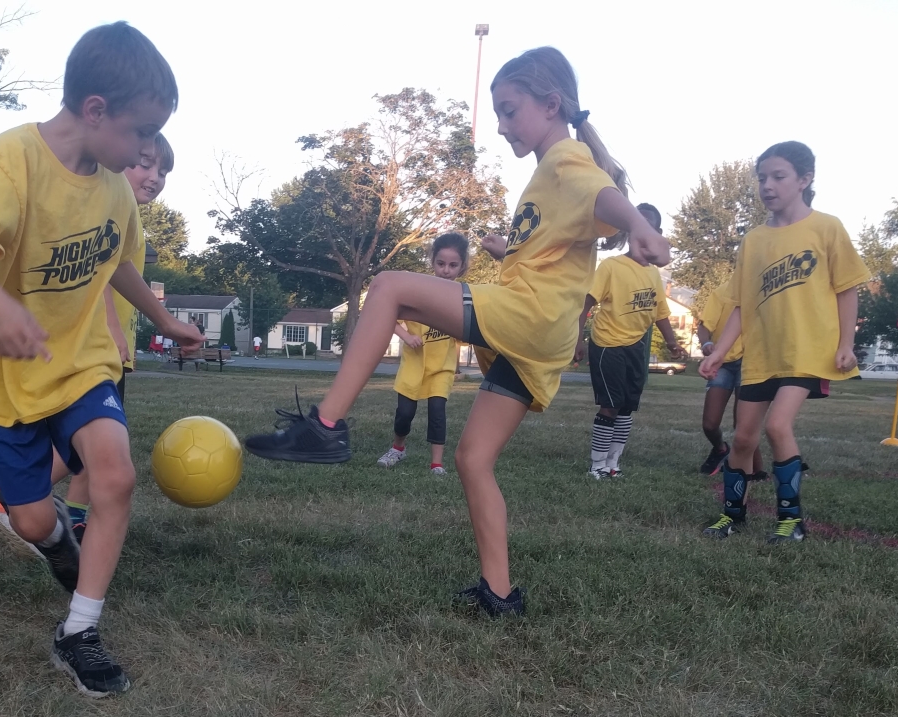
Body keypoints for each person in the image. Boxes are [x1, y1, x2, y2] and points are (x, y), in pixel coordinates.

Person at [244, 47, 670, 616]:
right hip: (539, 338)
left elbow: (602, 194)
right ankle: (500, 594)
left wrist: (640, 223)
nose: (501, 124)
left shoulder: (565, 158)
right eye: (497, 111)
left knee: (390, 287)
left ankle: (325, 426)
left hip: (532, 316)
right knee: (473, 459)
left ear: (551, 105)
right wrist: (505, 248)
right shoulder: (552, 169)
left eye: (510, 110)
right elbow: (565, 232)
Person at [0, 22, 201, 697]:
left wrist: (163, 317)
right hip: (4, 376)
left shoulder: (110, 186)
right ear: (95, 110)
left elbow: (119, 263)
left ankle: (79, 629)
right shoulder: (10, 159)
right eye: (140, 133)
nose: (144, 151)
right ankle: (54, 542)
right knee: (30, 519)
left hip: (82, 361)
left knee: (113, 473)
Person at [0, 134, 176, 545]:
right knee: (91, 442)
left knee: (99, 446)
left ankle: (78, 516)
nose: (154, 177)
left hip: (103, 350)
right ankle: (10, 497)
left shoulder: (127, 212)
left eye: (163, 171)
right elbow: (98, 272)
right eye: (144, 164)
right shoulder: (102, 203)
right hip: (93, 349)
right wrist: (114, 329)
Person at [699, 141, 869, 543]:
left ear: (804, 179)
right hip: (762, 356)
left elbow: (847, 289)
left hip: (807, 351)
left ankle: (791, 521)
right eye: (762, 178)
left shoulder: (826, 227)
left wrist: (847, 342)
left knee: (777, 425)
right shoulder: (754, 240)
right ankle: (732, 515)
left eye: (778, 176)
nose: (767, 186)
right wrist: (720, 352)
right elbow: (741, 304)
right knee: (742, 437)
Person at [574, 203, 687, 479]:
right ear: (629, 230)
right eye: (637, 224)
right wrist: (578, 339)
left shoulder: (653, 273)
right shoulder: (612, 266)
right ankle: (596, 466)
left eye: (649, 226)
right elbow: (585, 303)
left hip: (636, 346)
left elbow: (660, 313)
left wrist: (672, 343)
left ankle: (613, 464)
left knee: (626, 407)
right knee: (611, 405)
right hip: (607, 345)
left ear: (658, 234)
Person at [377, 232, 470, 475]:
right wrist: (406, 336)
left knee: (437, 414)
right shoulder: (419, 291)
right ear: (433, 262)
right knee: (404, 414)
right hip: (413, 367)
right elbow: (390, 316)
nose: (446, 270)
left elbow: (469, 329)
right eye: (441, 264)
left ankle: (436, 464)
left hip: (442, 369)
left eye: (453, 265)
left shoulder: (464, 296)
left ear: (462, 266)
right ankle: (398, 448)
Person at [696, 278, 764, 477]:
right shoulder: (723, 292)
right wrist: (706, 344)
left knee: (743, 422)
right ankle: (720, 450)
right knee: (709, 423)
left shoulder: (765, 290)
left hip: (751, 362)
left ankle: (757, 471)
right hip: (723, 362)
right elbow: (704, 326)